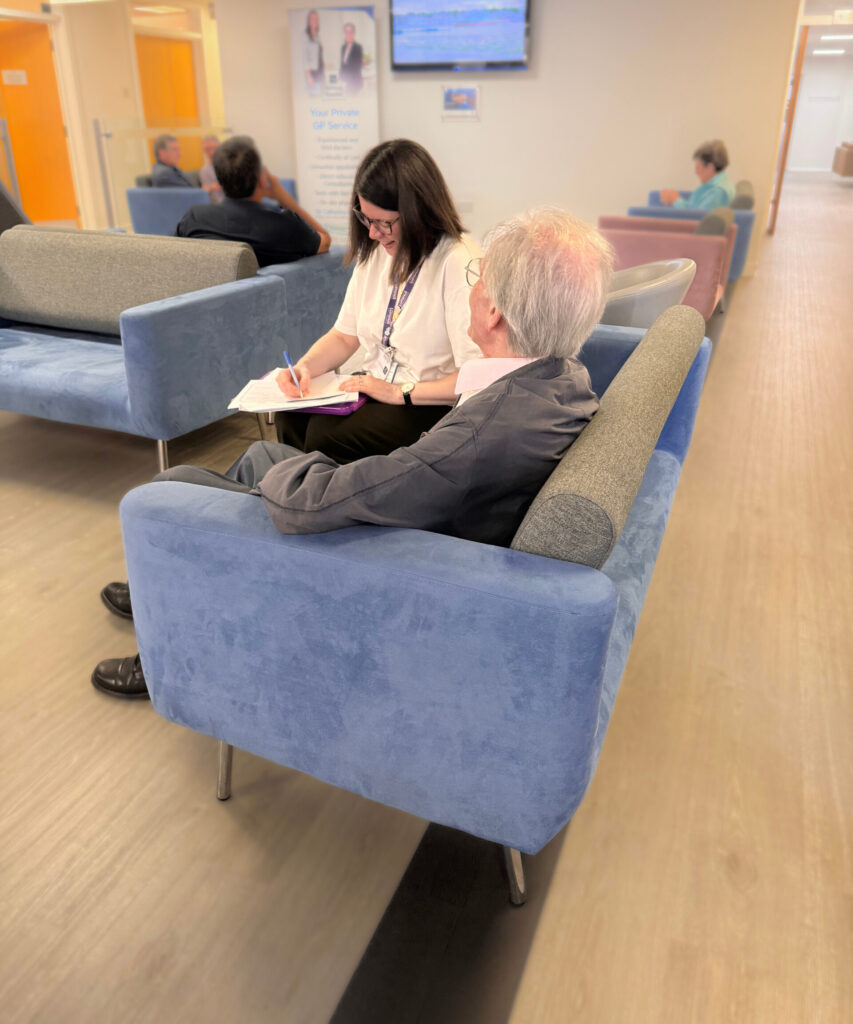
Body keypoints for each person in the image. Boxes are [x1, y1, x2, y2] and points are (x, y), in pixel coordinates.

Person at [91, 207, 614, 699]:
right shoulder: (565, 376)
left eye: (481, 277)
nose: (472, 284)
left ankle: (165, 657)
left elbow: (314, 505)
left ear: (495, 311)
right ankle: (166, 585)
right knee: (258, 460)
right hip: (418, 506)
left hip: (392, 558)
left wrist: (298, 477)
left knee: (169, 490)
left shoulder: (487, 433)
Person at [274, 137, 482, 465]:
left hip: (429, 401)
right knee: (291, 415)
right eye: (366, 220)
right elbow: (344, 335)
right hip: (375, 385)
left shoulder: (457, 262)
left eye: (384, 223)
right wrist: (304, 369)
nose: (372, 234)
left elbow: (476, 375)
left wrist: (399, 393)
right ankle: (294, 500)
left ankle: (331, 506)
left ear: (419, 210)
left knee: (325, 436)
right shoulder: (376, 254)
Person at [175, 135, 331, 266]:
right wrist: (285, 199)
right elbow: (325, 241)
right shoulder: (284, 225)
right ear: (262, 179)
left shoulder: (194, 218)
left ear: (220, 178)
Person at [659, 139, 736, 210]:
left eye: (698, 168)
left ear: (710, 167)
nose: (696, 172)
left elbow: (696, 217)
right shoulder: (717, 186)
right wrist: (674, 199)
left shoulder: (718, 192)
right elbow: (695, 208)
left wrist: (675, 201)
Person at [303, 9, 325, 94]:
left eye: (316, 18)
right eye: (312, 18)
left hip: (320, 73)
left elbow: (319, 56)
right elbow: (305, 58)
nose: (314, 20)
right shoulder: (305, 36)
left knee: (321, 100)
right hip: (312, 75)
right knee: (314, 102)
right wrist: (309, 77)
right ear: (308, 21)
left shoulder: (317, 36)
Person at [199, 134, 224, 203]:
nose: (211, 152)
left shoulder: (231, 164)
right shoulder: (204, 171)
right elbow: (207, 193)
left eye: (214, 148)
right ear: (204, 151)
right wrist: (211, 188)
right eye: (208, 149)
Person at [340, 22, 363, 93]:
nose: (348, 34)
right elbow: (342, 65)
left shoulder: (358, 48)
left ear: (353, 33)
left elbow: (356, 67)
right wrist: (340, 79)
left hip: (354, 83)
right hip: (345, 83)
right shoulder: (343, 47)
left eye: (350, 32)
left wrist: (347, 81)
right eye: (346, 32)